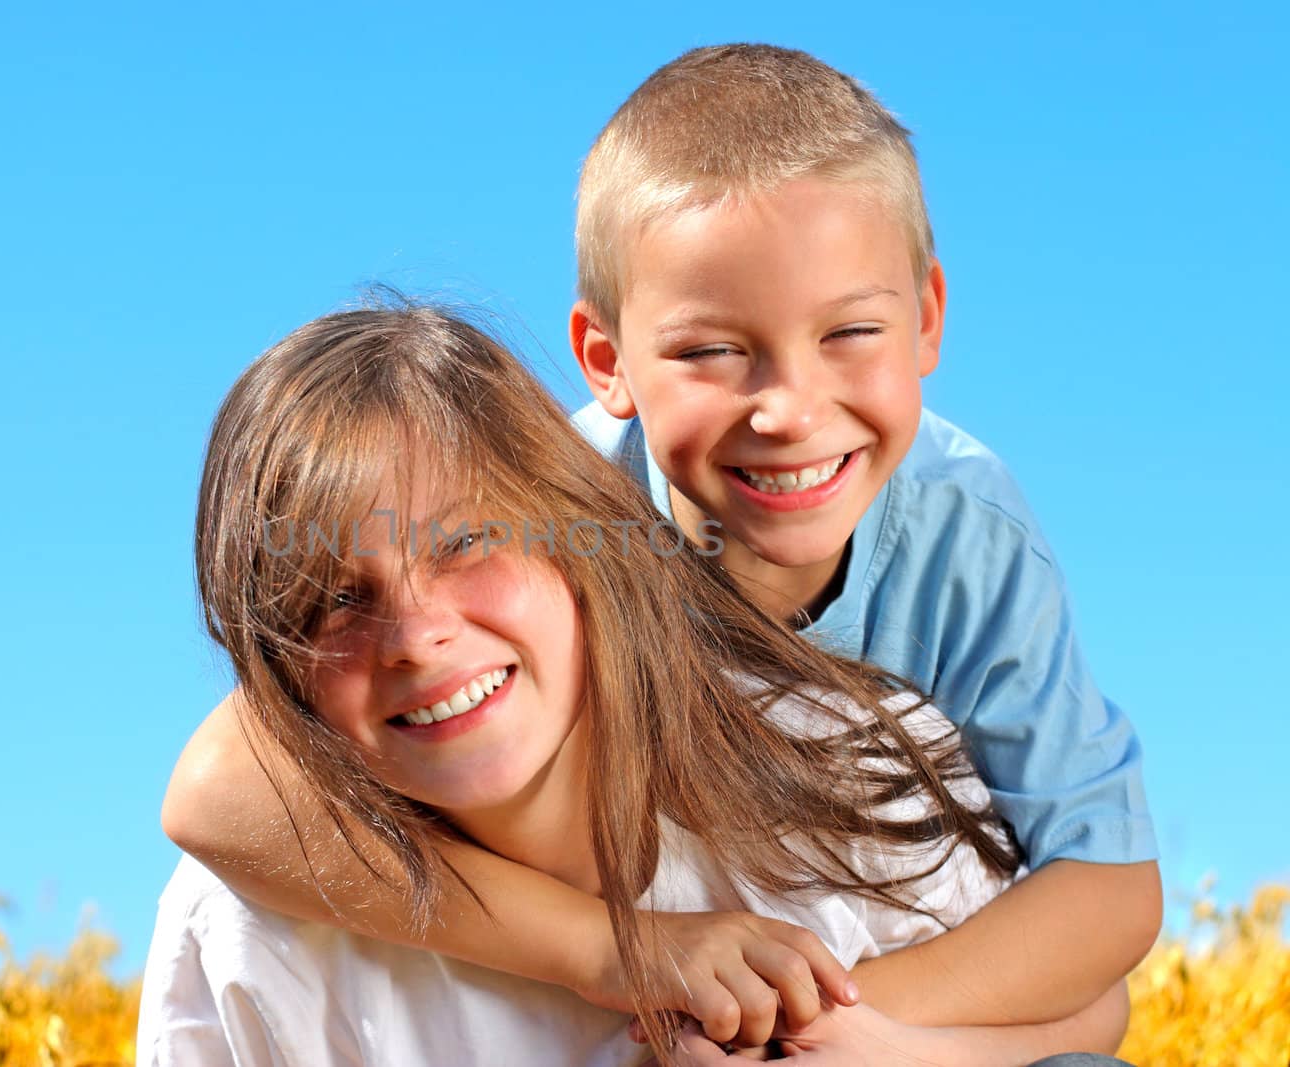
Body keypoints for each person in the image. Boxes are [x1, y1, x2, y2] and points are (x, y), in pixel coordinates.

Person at [161, 43, 1160, 1052]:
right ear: (606, 361)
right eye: (711, 352)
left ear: (927, 319)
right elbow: (215, 790)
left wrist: (795, 1022)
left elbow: (1109, 895)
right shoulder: (550, 500)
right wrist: (619, 949)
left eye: (848, 331)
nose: (788, 410)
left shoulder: (964, 534)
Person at [138, 304, 1131, 1065]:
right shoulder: (248, 923)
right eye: (335, 600)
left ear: (577, 542)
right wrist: (623, 950)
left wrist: (878, 1043)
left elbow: (1083, 1013)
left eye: (468, 542)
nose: (416, 634)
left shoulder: (833, 767)